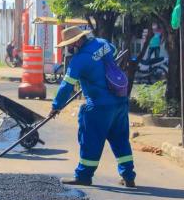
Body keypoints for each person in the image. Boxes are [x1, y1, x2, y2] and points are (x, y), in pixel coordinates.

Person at [51, 26, 136, 188]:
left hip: (99, 106)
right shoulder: (102, 43)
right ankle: (128, 176)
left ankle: (83, 176)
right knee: (120, 140)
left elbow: (66, 86)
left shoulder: (79, 60)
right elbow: (113, 49)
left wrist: (56, 106)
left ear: (76, 42)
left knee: (90, 140)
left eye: (68, 45)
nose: (67, 49)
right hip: (119, 102)